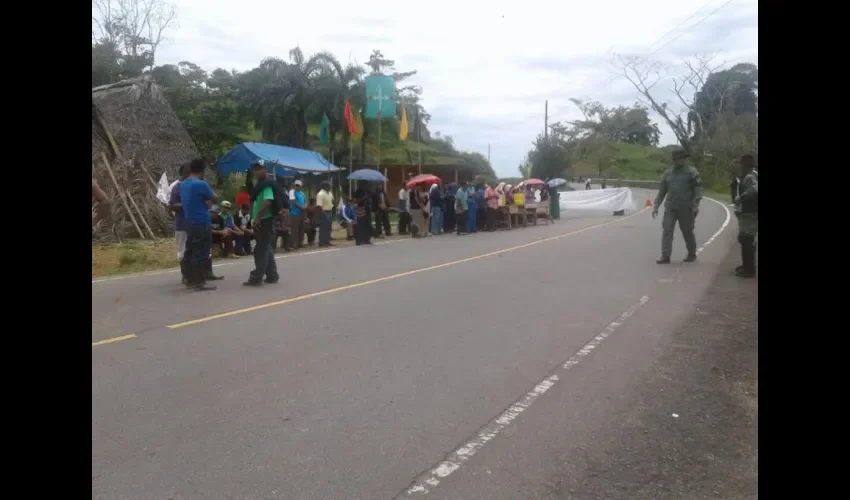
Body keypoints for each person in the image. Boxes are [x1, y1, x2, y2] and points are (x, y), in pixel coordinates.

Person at [652, 149, 703, 264]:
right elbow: (662, 191)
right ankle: (665, 256)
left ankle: (691, 253)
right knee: (667, 230)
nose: (682, 160)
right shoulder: (668, 173)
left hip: (686, 207)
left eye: (683, 158)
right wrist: (656, 205)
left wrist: (696, 205)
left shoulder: (691, 172)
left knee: (687, 231)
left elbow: (698, 189)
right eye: (680, 158)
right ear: (674, 160)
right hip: (671, 207)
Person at [180, 158, 219, 291]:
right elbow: (215, 198)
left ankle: (189, 279)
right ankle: (199, 281)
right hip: (202, 221)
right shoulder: (201, 184)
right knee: (201, 252)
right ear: (203, 170)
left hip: (189, 221)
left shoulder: (183, 183)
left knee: (190, 250)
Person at [244, 160, 281, 286]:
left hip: (265, 220)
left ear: (266, 169)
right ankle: (272, 274)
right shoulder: (260, 184)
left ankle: (256, 276)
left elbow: (267, 201)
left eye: (260, 168)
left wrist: (258, 217)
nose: (258, 171)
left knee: (261, 249)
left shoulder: (267, 185)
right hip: (262, 220)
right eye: (256, 169)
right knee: (266, 248)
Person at [734, 155, 758, 278]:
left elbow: (754, 189)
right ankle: (747, 265)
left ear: (744, 164)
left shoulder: (750, 176)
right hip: (749, 211)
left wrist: (740, 198)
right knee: (745, 239)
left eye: (741, 164)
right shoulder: (752, 174)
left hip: (750, 212)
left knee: (746, 239)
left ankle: (749, 269)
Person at [168, 163, 190, 283]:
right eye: (188, 172)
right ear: (183, 173)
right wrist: (186, 205)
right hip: (181, 223)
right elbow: (171, 205)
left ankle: (196, 274)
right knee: (182, 250)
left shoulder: (191, 185)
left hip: (193, 223)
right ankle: (185, 276)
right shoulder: (176, 187)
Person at [353, 181, 372, 245]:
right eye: (364, 184)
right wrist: (364, 198)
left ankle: (366, 239)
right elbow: (356, 201)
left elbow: (370, 198)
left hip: (367, 209)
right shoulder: (358, 191)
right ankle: (359, 240)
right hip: (360, 209)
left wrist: (369, 200)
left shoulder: (368, 191)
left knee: (367, 224)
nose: (366, 186)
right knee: (360, 225)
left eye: (366, 184)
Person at [289, 180, 307, 249]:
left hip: (302, 213)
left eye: (298, 185)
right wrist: (301, 207)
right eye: (296, 185)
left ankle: (300, 243)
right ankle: (294, 244)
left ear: (301, 186)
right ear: (294, 185)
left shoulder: (302, 193)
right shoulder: (292, 192)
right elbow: (293, 201)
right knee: (295, 229)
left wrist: (305, 206)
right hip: (295, 213)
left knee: (301, 228)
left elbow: (305, 201)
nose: (297, 186)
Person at [316, 181, 335, 246]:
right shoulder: (320, 194)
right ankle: (321, 242)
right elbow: (319, 206)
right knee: (323, 227)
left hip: (329, 211)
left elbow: (332, 200)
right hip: (323, 211)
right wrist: (324, 214)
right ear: (325, 186)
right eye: (329, 186)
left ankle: (327, 241)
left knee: (329, 227)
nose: (330, 187)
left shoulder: (329, 193)